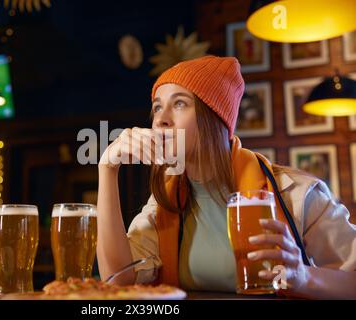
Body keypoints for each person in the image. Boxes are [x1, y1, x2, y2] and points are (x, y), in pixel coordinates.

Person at [96, 55, 356, 299]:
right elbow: (117, 280)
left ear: (214, 118)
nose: (161, 120)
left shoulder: (296, 193)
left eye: (179, 103)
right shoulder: (164, 201)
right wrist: (107, 169)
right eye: (157, 107)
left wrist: (303, 276)